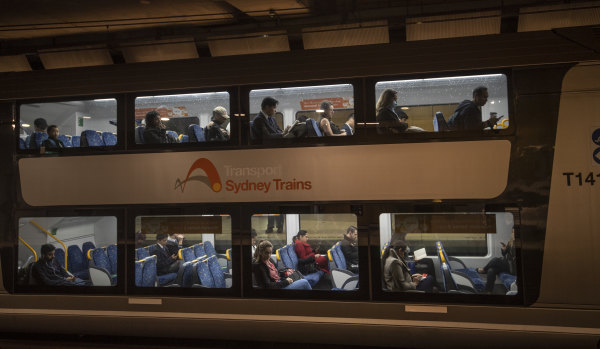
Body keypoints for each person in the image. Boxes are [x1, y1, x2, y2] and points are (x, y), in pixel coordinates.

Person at [477, 228, 516, 293]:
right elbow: (504, 254)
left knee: (495, 260)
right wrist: (504, 249)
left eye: (514, 232)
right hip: (507, 265)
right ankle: (488, 291)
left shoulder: (519, 243)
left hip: (513, 268)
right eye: (512, 232)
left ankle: (483, 270)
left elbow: (513, 256)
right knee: (491, 270)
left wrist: (514, 243)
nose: (513, 234)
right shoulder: (511, 241)